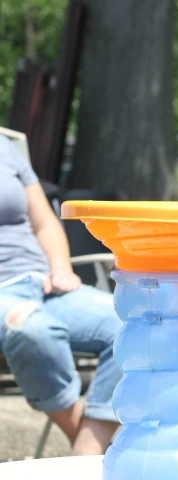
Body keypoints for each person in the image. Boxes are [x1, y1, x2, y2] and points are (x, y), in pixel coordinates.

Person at [0, 135, 122, 456]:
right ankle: (92, 451)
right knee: (31, 329)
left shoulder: (5, 147)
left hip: (45, 282)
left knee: (133, 320)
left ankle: (88, 449)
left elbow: (44, 223)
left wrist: (60, 267)